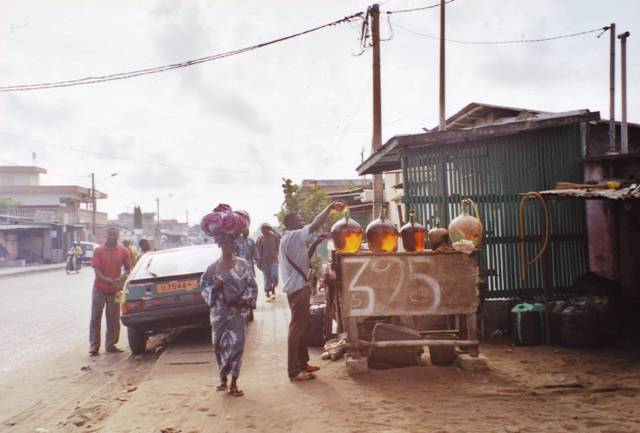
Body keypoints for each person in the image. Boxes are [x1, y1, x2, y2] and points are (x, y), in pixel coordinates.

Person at [279, 200, 345, 381]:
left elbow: (304, 259)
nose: (302, 222)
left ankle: (303, 363)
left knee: (304, 325)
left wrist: (315, 243)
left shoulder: (290, 238)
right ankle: (294, 370)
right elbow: (315, 224)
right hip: (297, 288)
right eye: (299, 220)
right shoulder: (293, 236)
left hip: (299, 287)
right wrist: (329, 207)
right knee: (297, 328)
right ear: (290, 223)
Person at [200, 233, 257, 397]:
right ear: (219, 245)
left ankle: (234, 383)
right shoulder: (212, 268)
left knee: (237, 345)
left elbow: (252, 286)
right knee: (218, 345)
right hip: (219, 314)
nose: (227, 247)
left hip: (238, 313)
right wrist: (214, 288)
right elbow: (204, 286)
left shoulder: (243, 264)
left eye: (230, 243)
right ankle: (223, 378)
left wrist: (243, 301)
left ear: (234, 245)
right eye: (224, 243)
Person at [89, 226, 131, 356]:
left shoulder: (123, 251)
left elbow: (128, 268)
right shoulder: (98, 251)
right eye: (110, 234)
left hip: (116, 290)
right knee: (96, 317)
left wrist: (122, 278)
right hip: (99, 288)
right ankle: (94, 346)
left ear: (118, 236)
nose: (112, 237)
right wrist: (105, 279)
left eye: (114, 234)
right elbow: (96, 269)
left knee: (114, 319)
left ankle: (111, 345)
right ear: (106, 236)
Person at [256, 223, 280, 301]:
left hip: (274, 260)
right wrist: (258, 262)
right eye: (261, 230)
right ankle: (268, 293)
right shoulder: (260, 239)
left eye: (264, 229)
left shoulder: (274, 237)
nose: (262, 231)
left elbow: (280, 240)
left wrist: (273, 230)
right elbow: (258, 251)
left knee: (274, 276)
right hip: (264, 262)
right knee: (267, 278)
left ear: (268, 229)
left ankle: (273, 289)